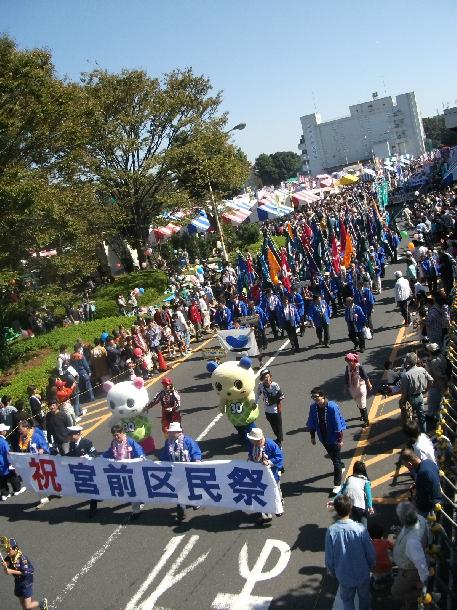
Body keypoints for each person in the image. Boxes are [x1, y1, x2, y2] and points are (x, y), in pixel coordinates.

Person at [324, 495, 376, 610]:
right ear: (351, 509)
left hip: (344, 574)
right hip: (362, 572)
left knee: (347, 600)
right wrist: (372, 565)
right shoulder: (360, 529)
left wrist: (334, 572)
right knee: (364, 597)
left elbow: (329, 558)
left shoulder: (331, 531)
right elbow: (370, 552)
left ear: (336, 511)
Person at [306, 388, 347, 494]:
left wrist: (340, 439)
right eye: (313, 397)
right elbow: (311, 422)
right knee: (333, 457)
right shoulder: (313, 407)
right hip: (323, 437)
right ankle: (341, 466)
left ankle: (337, 485)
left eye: (316, 397)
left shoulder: (332, 407)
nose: (315, 399)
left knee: (336, 461)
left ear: (322, 396)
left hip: (334, 438)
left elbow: (338, 423)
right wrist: (312, 436)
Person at [160, 421, 202, 522]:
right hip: (175, 471)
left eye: (172, 432)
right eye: (170, 432)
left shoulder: (188, 441)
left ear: (179, 432)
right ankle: (181, 510)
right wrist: (161, 463)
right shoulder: (168, 442)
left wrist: (197, 459)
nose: (170, 434)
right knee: (179, 490)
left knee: (191, 488)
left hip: (188, 469)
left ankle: (195, 502)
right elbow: (165, 455)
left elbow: (195, 451)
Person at [390, 501, 430, 609]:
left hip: (409, 571)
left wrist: (423, 581)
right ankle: (409, 604)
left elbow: (420, 563)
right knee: (407, 588)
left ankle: (425, 596)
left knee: (395, 592)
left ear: (403, 518)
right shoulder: (420, 519)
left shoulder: (412, 542)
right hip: (410, 564)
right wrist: (401, 532)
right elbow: (427, 537)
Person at [102, 424, 145, 519]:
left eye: (118, 435)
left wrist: (141, 457)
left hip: (133, 470)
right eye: (114, 435)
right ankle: (138, 501)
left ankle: (136, 511)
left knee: (134, 489)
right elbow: (109, 453)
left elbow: (139, 450)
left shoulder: (130, 442)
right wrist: (99, 458)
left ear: (123, 433)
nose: (116, 437)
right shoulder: (113, 443)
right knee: (129, 489)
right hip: (121, 471)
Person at [246, 427, 284, 523]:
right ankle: (266, 513)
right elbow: (251, 455)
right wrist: (249, 459)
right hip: (258, 474)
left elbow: (279, 457)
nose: (251, 441)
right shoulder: (252, 445)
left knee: (275, 490)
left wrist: (269, 462)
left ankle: (279, 506)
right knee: (262, 492)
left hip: (272, 473)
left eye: (253, 439)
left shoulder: (270, 444)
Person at [1, 537, 48, 610]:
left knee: (28, 606)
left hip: (26, 581)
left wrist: (11, 571)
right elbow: (7, 572)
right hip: (17, 581)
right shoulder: (8, 557)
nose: (7, 552)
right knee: (23, 603)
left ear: (15, 549)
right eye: (6, 550)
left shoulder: (22, 559)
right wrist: (5, 567)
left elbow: (25, 572)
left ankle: (42, 603)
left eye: (9, 550)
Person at [66, 425, 99, 518]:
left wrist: (87, 456)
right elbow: (71, 454)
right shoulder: (72, 443)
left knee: (92, 488)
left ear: (78, 434)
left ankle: (93, 509)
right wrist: (61, 457)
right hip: (79, 470)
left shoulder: (87, 443)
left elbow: (95, 453)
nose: (69, 436)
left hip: (89, 469)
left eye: (71, 434)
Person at [399, 448, 441, 517]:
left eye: (405, 465)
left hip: (431, 504)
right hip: (438, 493)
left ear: (410, 463)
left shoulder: (421, 474)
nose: (406, 467)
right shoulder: (429, 462)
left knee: (411, 515)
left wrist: (414, 502)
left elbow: (422, 498)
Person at [331, 461, 373, 525]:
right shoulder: (365, 481)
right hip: (359, 505)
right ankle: (364, 532)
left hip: (347, 505)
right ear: (364, 471)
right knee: (363, 522)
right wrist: (370, 507)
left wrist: (334, 500)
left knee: (349, 521)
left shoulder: (349, 478)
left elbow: (342, 491)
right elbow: (368, 495)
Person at [400, 352, 433, 433]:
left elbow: (404, 392)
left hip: (410, 399)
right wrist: (426, 390)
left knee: (409, 420)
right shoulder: (422, 369)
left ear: (407, 362)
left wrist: (402, 401)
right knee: (422, 418)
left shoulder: (406, 375)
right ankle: (424, 434)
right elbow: (431, 380)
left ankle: (412, 437)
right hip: (420, 396)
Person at [256, 369, 284, 446]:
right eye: (265, 377)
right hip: (267, 411)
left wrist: (272, 401)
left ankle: (279, 442)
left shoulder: (275, 385)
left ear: (270, 377)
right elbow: (258, 394)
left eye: (268, 377)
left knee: (278, 427)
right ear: (262, 379)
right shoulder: (260, 386)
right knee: (273, 427)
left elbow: (282, 396)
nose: (267, 379)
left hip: (276, 410)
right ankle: (278, 438)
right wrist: (255, 403)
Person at [344, 353, 372, 428]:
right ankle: (362, 416)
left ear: (354, 360)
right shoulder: (348, 368)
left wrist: (369, 384)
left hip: (361, 388)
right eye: (348, 361)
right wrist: (346, 387)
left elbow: (365, 376)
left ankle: (366, 421)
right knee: (358, 403)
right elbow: (346, 377)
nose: (349, 363)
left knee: (363, 404)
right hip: (353, 388)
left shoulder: (359, 367)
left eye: (350, 361)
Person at [424, 342, 449, 424]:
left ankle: (434, 417)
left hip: (437, 384)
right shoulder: (441, 357)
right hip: (441, 383)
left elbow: (438, 375)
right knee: (436, 400)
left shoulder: (434, 362)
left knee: (434, 401)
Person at [0, 423, 26, 501]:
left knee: (1, 480)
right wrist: (12, 462)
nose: (6, 431)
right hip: (5, 463)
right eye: (4, 430)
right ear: (1, 432)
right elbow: (8, 453)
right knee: (13, 476)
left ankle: (4, 494)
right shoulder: (3, 442)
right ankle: (17, 489)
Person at [367, 522, 393, 589]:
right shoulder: (386, 542)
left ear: (369, 535)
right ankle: (388, 580)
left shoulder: (368, 545)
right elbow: (393, 548)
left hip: (376, 570)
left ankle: (378, 583)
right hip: (388, 568)